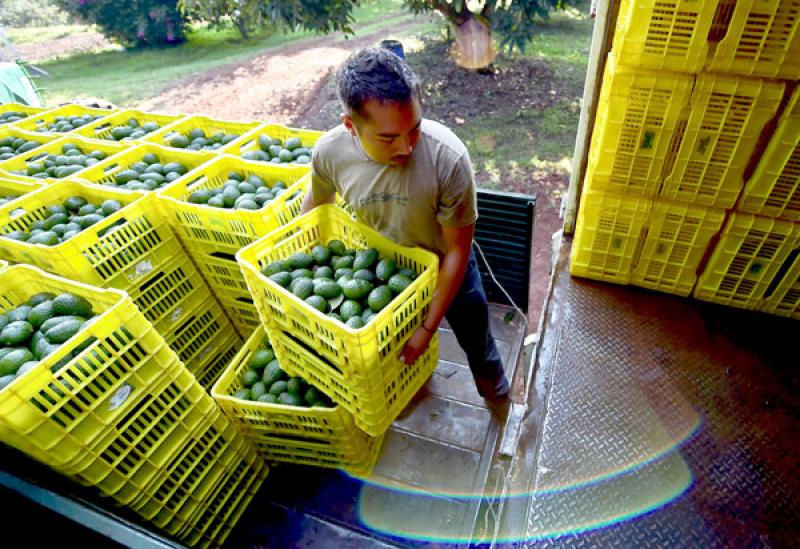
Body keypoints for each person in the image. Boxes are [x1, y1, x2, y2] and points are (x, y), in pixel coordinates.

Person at [301, 47, 509, 401]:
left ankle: (496, 393)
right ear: (350, 126)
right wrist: (310, 260)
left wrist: (428, 327)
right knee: (398, 353)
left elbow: (458, 249)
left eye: (413, 129)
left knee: (477, 340)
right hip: (385, 272)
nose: (407, 146)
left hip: (448, 267)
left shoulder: (448, 158)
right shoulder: (329, 153)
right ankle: (417, 388)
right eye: (388, 137)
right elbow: (317, 204)